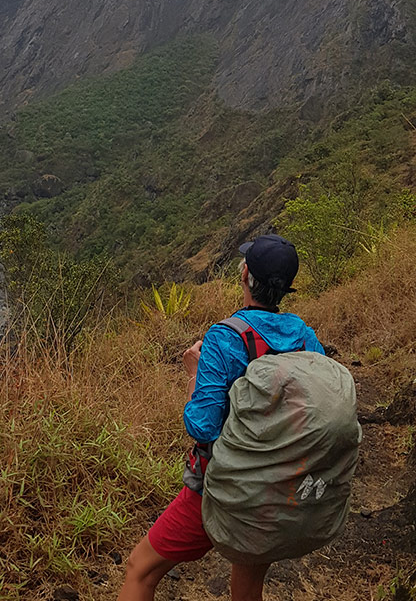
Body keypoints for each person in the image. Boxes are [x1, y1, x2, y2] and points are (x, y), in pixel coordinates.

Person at [117, 234, 325, 601]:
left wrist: (195, 372)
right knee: (247, 590)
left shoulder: (225, 337)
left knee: (140, 570)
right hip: (276, 488)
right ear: (288, 287)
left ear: (245, 275)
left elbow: (202, 426)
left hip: (223, 487)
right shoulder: (305, 337)